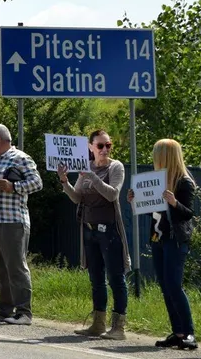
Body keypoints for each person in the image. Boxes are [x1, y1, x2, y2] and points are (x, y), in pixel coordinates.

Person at [60, 129, 129, 339]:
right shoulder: (86, 167)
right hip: (89, 231)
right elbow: (77, 197)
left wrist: (94, 178)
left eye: (108, 145)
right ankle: (98, 324)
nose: (105, 150)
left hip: (109, 231)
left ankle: (119, 327)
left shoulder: (115, 166)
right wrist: (64, 181)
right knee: (96, 278)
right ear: (91, 147)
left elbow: (113, 194)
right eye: (100, 146)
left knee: (116, 277)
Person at [137, 139, 198, 351]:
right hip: (158, 238)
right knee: (165, 287)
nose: (154, 158)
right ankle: (178, 332)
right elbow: (153, 210)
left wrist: (174, 202)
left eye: (157, 154)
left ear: (165, 156)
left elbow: (188, 213)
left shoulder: (184, 182)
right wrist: (136, 200)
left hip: (175, 239)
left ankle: (189, 332)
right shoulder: (156, 180)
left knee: (174, 285)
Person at [0, 123, 43, 326]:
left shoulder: (20, 158)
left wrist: (14, 187)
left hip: (12, 221)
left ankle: (24, 312)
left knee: (16, 268)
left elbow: (37, 183)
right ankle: (4, 309)